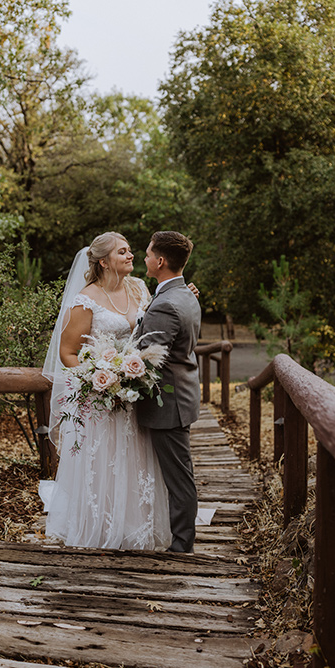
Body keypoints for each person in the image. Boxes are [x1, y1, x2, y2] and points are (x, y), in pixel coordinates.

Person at [39, 232, 172, 550]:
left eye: (130, 251)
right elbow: (68, 353)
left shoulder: (139, 288)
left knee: (137, 457)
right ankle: (101, 524)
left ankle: (139, 525)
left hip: (135, 392)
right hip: (100, 399)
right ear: (103, 261)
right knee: (106, 461)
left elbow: (153, 329)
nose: (131, 256)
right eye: (122, 252)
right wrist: (98, 377)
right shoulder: (86, 299)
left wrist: (136, 374)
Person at [136, 231, 201, 553]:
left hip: (169, 401)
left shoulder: (166, 304)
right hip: (182, 393)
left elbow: (149, 358)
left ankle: (182, 544)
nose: (144, 259)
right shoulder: (185, 295)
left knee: (179, 477)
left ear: (160, 261)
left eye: (148, 254)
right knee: (180, 472)